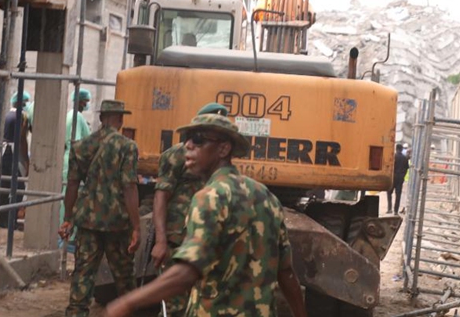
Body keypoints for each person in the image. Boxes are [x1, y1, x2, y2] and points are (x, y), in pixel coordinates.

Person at [103, 113, 307, 317]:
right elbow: (286, 272)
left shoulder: (209, 198)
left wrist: (127, 303)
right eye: (187, 139)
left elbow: (187, 273)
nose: (188, 146)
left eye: (198, 139)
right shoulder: (267, 197)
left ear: (224, 149)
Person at [59, 100, 140, 317]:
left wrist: (67, 218)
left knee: (82, 275)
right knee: (124, 277)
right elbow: (130, 187)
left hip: (87, 221)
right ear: (120, 119)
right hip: (118, 223)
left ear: (102, 118)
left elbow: (73, 185)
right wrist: (136, 227)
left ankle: (76, 313)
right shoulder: (127, 146)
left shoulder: (81, 146)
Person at [149, 103, 228, 317]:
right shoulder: (177, 155)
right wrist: (161, 240)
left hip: (206, 243)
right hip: (179, 242)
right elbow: (161, 196)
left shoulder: (220, 159)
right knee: (175, 306)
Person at [0, 91, 31, 229]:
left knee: (5, 185)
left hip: (5, 152)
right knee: (17, 187)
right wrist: (26, 161)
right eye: (25, 103)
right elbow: (21, 139)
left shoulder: (7, 115)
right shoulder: (20, 116)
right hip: (13, 152)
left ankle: (3, 219)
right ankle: (11, 221)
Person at [61, 88, 92, 228]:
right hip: (75, 160)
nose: (87, 104)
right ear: (80, 101)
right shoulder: (76, 117)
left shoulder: (71, 115)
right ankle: (67, 233)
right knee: (72, 197)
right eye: (86, 101)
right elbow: (78, 143)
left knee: (68, 195)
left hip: (70, 157)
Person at [387, 144, 409, 215]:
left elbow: (389, 167)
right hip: (400, 178)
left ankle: (389, 208)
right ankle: (396, 211)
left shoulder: (393, 157)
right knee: (398, 194)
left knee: (389, 192)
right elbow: (406, 168)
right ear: (402, 149)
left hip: (393, 177)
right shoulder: (405, 158)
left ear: (396, 149)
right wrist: (403, 175)